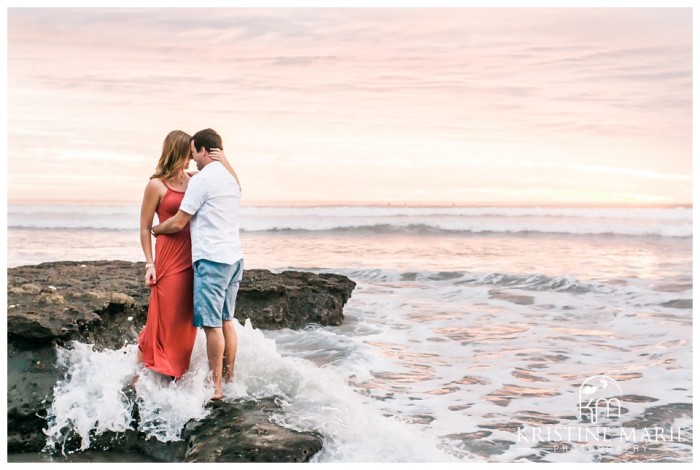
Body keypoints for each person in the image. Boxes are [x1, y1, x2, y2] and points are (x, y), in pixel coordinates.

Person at [151, 128, 244, 400]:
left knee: (212, 326)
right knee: (227, 321)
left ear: (204, 150)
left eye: (193, 151)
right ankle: (229, 379)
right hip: (235, 259)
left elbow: (180, 221)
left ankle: (215, 388)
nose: (191, 157)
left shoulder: (201, 181)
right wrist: (225, 161)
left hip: (212, 261)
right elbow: (239, 186)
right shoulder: (229, 178)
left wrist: (156, 230)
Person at [137, 130, 198, 380]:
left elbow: (231, 182)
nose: (193, 158)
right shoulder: (156, 185)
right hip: (169, 258)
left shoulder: (196, 180)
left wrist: (221, 156)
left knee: (186, 321)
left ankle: (177, 373)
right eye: (189, 153)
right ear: (178, 152)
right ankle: (152, 371)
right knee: (165, 317)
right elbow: (144, 227)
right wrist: (149, 264)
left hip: (194, 258)